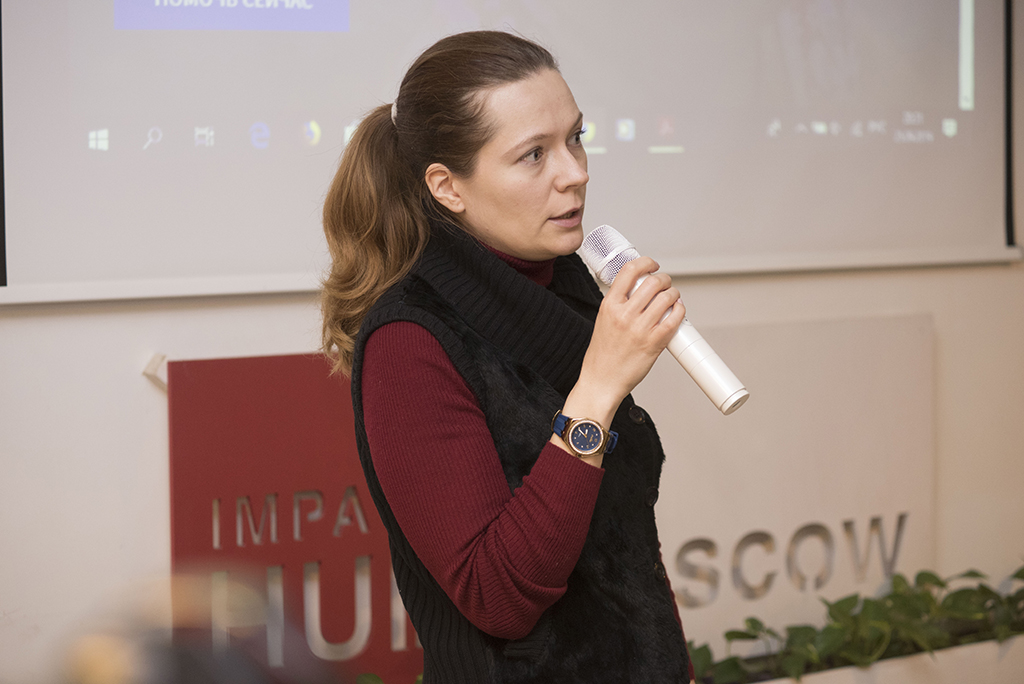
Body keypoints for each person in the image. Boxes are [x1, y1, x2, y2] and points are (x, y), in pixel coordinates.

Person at [321, 31, 694, 683]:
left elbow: (621, 554)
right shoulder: (409, 339)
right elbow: (496, 597)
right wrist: (597, 390)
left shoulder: (569, 283)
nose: (574, 172)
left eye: (576, 138)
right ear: (448, 186)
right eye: (533, 155)